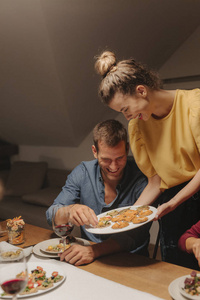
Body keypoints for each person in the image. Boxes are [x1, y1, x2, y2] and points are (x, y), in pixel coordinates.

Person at [94, 50, 200, 267]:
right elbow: (156, 181)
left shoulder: (194, 105)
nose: (128, 117)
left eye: (126, 109)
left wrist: (174, 201)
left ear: (141, 91)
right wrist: (128, 217)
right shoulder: (137, 127)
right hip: (172, 205)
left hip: (187, 200)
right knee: (174, 270)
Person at [46, 119, 150, 266]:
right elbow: (51, 215)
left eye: (119, 158)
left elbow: (135, 235)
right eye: (106, 159)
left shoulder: (141, 176)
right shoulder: (82, 172)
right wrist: (69, 210)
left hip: (132, 260)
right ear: (95, 151)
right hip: (89, 260)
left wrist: (94, 251)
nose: (114, 166)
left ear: (127, 149)